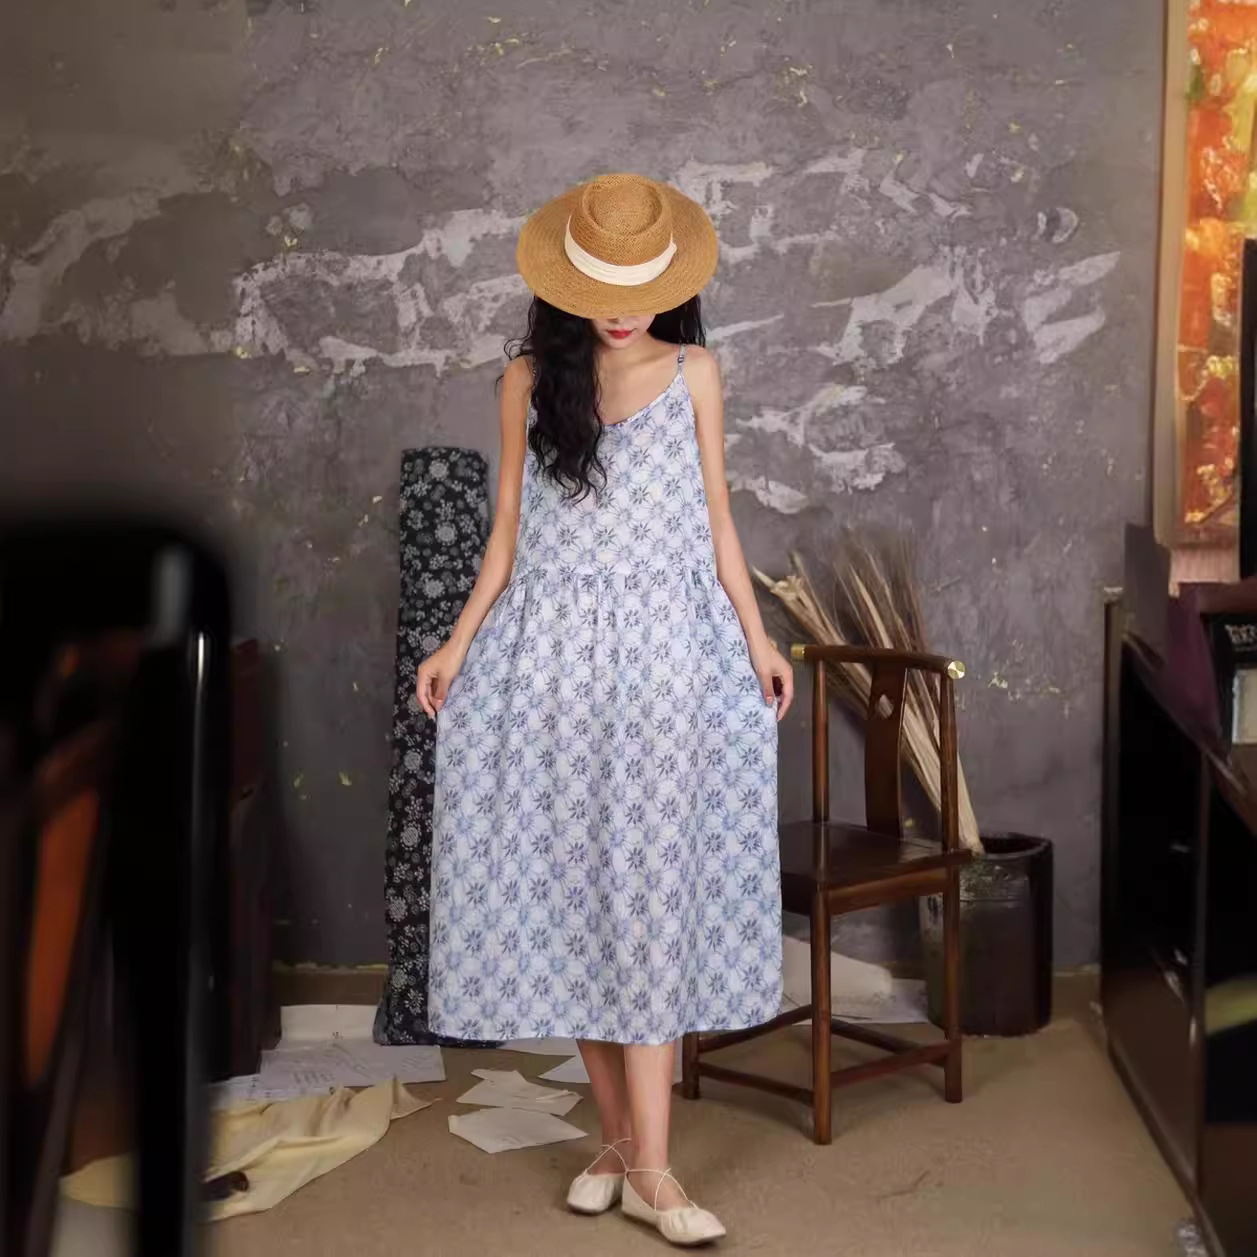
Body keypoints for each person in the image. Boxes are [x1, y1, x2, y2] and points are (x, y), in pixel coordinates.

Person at [417, 172, 792, 1247]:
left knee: (648, 893)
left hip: (665, 659)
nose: (621, 310)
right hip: (547, 658)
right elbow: (506, 534)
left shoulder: (695, 372)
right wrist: (457, 644)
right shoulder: (528, 381)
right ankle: (625, 1150)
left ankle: (653, 1172)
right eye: (600, 291)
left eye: (640, 290)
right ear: (564, 286)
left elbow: (718, 523)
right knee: (574, 889)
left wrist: (759, 640)